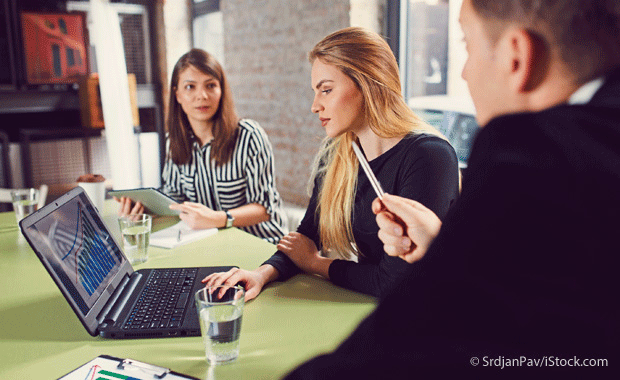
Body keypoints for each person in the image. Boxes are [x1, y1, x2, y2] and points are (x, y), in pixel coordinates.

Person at [285, 0, 620, 376]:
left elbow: (415, 346)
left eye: (467, 45)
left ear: (516, 57)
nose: (462, 73)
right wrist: (440, 244)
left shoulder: (535, 155)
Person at [203, 27, 460, 300]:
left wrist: (315, 264)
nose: (315, 106)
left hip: (429, 316)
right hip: (372, 308)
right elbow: (307, 236)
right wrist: (261, 273)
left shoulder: (429, 157)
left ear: (368, 83)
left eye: (326, 90)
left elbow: (394, 282)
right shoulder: (338, 153)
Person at [116, 49, 286, 243]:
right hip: (213, 242)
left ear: (221, 91)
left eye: (211, 85)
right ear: (177, 94)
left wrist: (218, 218)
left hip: (262, 244)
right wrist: (143, 209)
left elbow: (264, 209)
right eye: (190, 87)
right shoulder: (175, 141)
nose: (202, 95)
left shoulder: (249, 136)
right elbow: (175, 198)